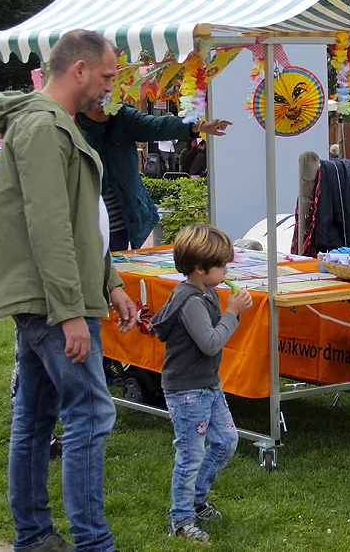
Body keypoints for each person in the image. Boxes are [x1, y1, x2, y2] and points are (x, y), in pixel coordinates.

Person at [0, 29, 138, 552]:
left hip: (51, 298)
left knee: (35, 416)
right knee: (91, 413)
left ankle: (34, 537)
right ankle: (93, 544)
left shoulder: (52, 123)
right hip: (52, 303)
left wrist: (111, 283)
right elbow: (48, 227)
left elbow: (80, 221)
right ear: (79, 70)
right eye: (108, 76)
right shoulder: (44, 128)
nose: (109, 87)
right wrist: (71, 311)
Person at [149, 223, 253, 542]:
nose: (226, 270)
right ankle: (180, 520)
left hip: (207, 384)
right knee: (191, 454)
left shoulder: (204, 291)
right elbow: (210, 343)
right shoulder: (191, 300)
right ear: (199, 268)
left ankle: (196, 499)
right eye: (222, 265)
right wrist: (232, 314)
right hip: (187, 392)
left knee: (225, 442)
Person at [77, 93, 232, 251]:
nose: (104, 107)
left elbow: (158, 125)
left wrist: (197, 126)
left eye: (109, 101)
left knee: (113, 270)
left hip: (116, 224)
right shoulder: (68, 123)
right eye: (97, 102)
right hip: (79, 221)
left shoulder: (122, 118)